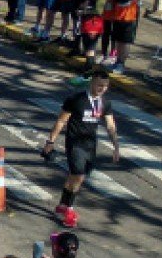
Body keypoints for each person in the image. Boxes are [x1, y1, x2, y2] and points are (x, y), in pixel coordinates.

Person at [40, 70, 122, 228]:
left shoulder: (105, 103)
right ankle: (69, 210)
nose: (102, 88)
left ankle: (63, 204)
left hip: (90, 144)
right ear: (91, 82)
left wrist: (116, 147)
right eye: (99, 85)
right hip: (74, 143)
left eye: (105, 86)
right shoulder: (76, 99)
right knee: (78, 175)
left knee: (75, 176)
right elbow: (61, 121)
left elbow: (111, 126)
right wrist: (50, 141)